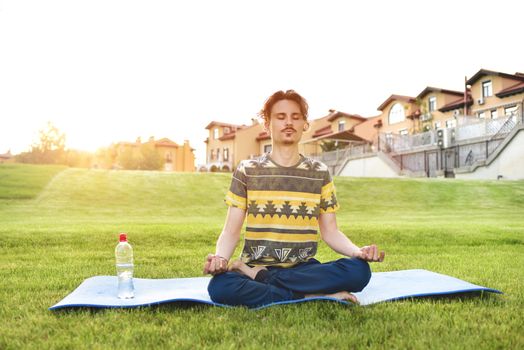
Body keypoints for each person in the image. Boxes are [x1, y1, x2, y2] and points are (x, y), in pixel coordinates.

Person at [204, 90, 385, 308]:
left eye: (295, 117)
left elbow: (331, 232)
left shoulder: (320, 172)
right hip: (261, 262)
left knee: (359, 271)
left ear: (304, 124)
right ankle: (308, 295)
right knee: (220, 286)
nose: (288, 122)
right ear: (267, 124)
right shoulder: (247, 170)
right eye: (281, 117)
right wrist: (220, 259)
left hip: (304, 269)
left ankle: (260, 278)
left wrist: (358, 252)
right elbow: (231, 230)